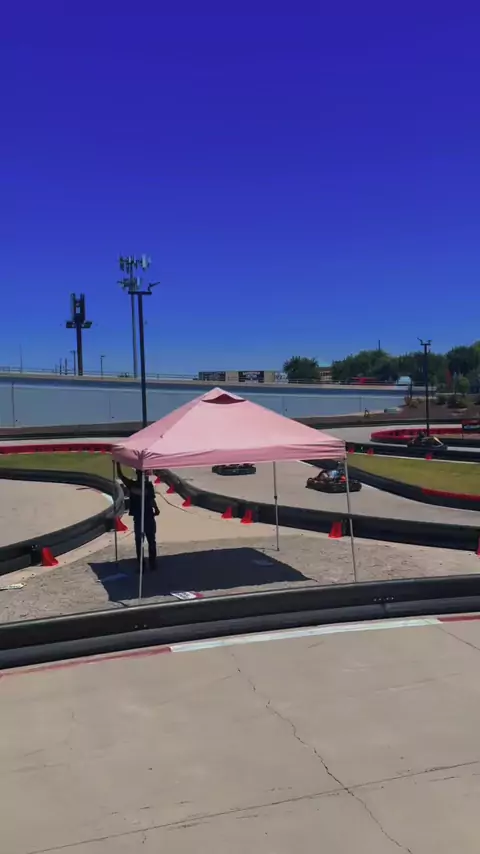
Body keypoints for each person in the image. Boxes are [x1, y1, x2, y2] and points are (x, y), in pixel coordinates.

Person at [116, 463, 160, 572]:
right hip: (147, 516)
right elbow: (152, 499)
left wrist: (118, 465)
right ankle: (152, 563)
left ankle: (143, 565)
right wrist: (156, 509)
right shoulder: (147, 486)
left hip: (140, 516)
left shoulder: (133, 485)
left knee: (141, 542)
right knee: (150, 540)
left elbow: (121, 476)